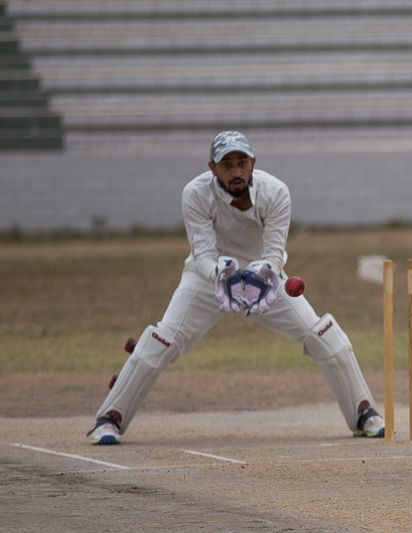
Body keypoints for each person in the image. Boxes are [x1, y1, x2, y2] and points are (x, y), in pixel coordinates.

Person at [88, 130, 385, 444]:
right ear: (212, 168)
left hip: (264, 280)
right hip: (208, 279)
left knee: (322, 335)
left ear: (253, 162)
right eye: (226, 165)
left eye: (241, 163)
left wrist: (263, 274)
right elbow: (203, 254)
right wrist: (223, 275)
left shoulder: (276, 191)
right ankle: (110, 419)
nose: (236, 171)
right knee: (162, 340)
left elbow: (274, 253)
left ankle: (363, 413)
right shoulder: (195, 193)